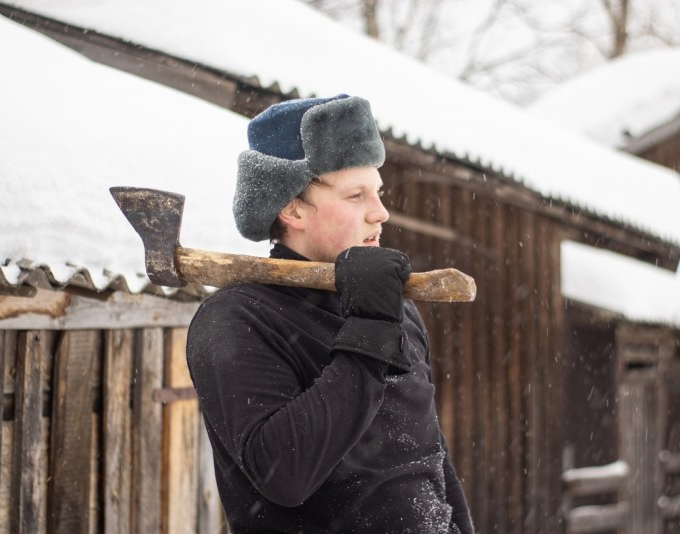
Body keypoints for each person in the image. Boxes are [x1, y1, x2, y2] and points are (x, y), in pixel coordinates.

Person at [186, 94, 473, 533]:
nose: (380, 212)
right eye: (356, 195)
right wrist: (372, 329)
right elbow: (285, 473)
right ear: (292, 208)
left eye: (377, 192)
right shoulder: (237, 318)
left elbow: (428, 459)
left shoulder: (397, 310)